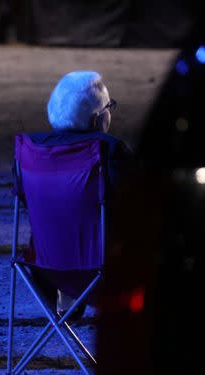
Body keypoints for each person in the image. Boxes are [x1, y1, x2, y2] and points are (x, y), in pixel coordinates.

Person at [27, 70, 132, 317]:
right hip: (102, 268)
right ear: (97, 120)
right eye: (110, 106)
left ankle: (69, 298)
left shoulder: (33, 151)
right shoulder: (110, 150)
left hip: (46, 266)